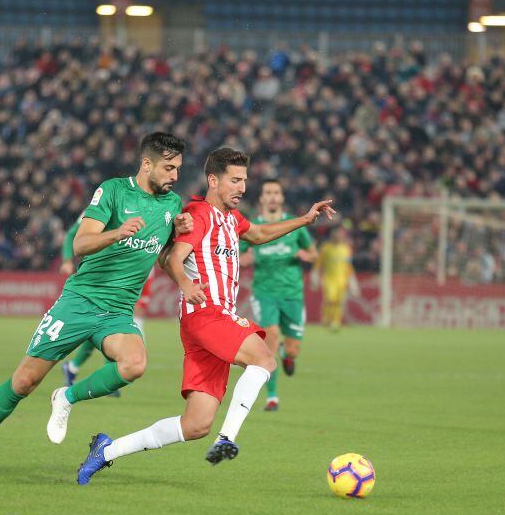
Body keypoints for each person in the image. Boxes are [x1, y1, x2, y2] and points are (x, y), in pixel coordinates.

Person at [0, 132, 194, 483]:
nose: (175, 176)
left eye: (179, 169)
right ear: (146, 163)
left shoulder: (172, 205)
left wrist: (180, 236)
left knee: (135, 364)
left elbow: (163, 255)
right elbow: (81, 243)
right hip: (79, 301)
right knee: (25, 381)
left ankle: (67, 397)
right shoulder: (114, 191)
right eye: (169, 167)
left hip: (118, 311)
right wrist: (117, 233)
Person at [75, 147, 334, 485]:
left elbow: (256, 235)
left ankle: (106, 451)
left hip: (211, 323)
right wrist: (186, 284)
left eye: (245, 181)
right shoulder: (199, 214)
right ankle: (227, 438)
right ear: (214, 180)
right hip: (206, 315)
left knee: (195, 424)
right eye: (235, 180)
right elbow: (172, 257)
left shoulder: (232, 218)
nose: (242, 188)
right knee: (265, 360)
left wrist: (304, 219)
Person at [238, 178, 318, 411]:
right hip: (265, 293)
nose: (272, 196)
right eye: (268, 193)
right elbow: (238, 254)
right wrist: (245, 259)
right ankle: (272, 396)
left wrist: (306, 256)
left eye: (276, 192)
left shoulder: (293, 225)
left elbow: (313, 253)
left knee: (292, 348)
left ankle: (288, 354)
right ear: (262, 199)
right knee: (270, 336)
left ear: (281, 198)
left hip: (293, 294)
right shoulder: (253, 227)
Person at [58, 213, 156, 397]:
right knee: (101, 328)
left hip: (136, 268)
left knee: (106, 330)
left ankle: (75, 368)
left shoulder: (155, 208)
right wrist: (66, 260)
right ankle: (89, 375)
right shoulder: (102, 206)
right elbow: (72, 234)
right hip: (102, 278)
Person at [314, 226, 355, 332]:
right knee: (330, 299)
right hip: (329, 279)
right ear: (332, 235)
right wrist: (315, 276)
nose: (338, 236)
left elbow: (349, 266)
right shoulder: (326, 248)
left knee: (339, 301)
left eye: (341, 235)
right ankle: (326, 318)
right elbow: (318, 264)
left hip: (342, 280)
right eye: (336, 234)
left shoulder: (346, 249)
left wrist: (353, 281)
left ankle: (335, 322)